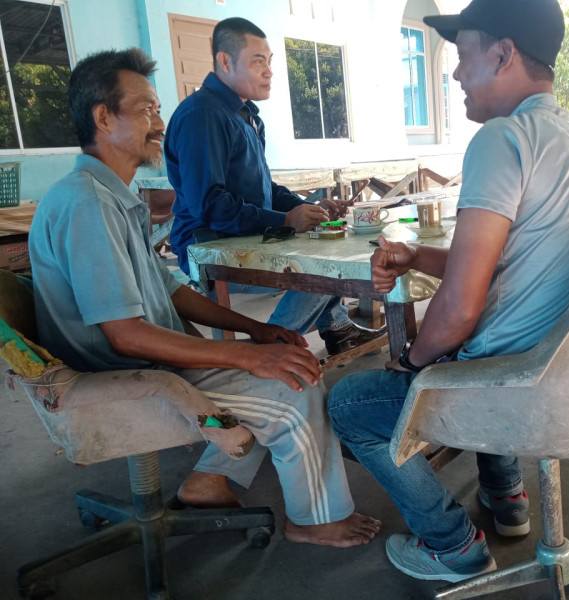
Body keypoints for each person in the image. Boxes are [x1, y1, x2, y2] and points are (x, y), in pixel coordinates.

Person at [28, 47, 380, 548]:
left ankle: (209, 481)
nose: (159, 123)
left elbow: (168, 289)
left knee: (280, 362)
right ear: (103, 118)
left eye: (157, 109)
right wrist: (248, 356)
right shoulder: (87, 204)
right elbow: (126, 336)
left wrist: (256, 331)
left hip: (145, 360)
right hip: (126, 377)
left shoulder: (107, 196)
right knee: (295, 387)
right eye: (146, 110)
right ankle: (314, 520)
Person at [327, 0, 569, 583]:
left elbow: (460, 307)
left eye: (463, 56)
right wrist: (418, 255)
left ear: (504, 53)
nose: (457, 73)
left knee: (352, 403)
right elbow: (510, 263)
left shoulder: (502, 139)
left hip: (522, 388)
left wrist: (411, 362)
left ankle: (451, 545)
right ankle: (506, 494)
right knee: (481, 339)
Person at [164, 16, 384, 357]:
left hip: (245, 237)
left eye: (269, 61)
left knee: (330, 241)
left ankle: (337, 328)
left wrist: (304, 209)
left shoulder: (245, 114)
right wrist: (284, 221)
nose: (269, 72)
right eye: (257, 61)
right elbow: (210, 205)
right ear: (225, 61)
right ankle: (266, 353)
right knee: (326, 267)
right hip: (208, 247)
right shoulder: (202, 115)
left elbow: (264, 187)